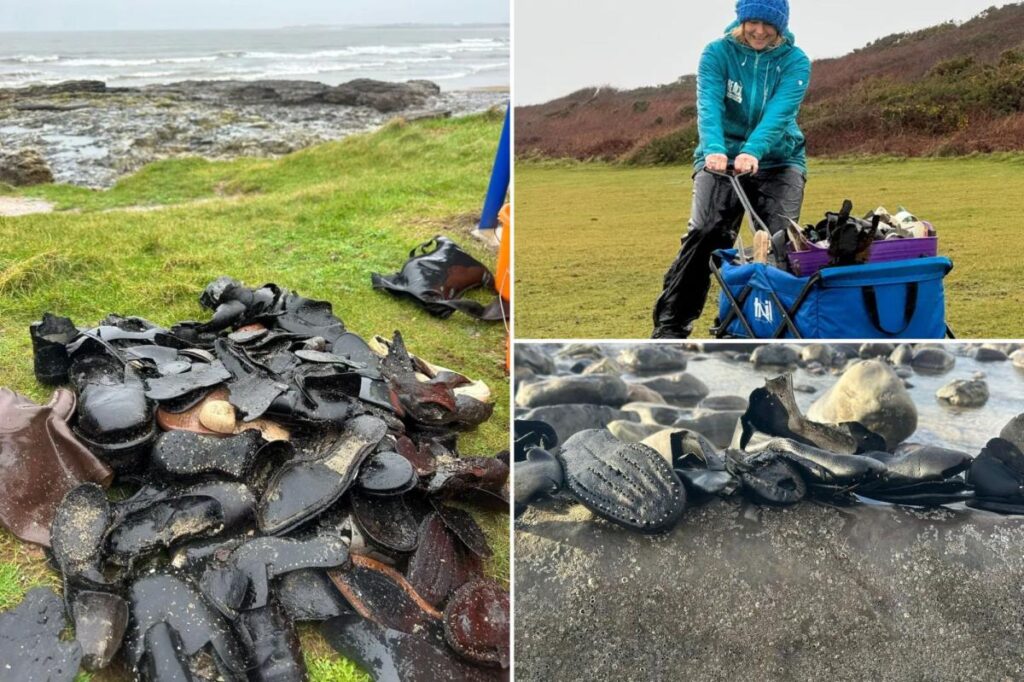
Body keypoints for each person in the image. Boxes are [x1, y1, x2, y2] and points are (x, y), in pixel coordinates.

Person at [652, 0, 811, 339]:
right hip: (719, 157)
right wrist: (714, 149)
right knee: (706, 232)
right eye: (753, 22)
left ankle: (759, 327)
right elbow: (709, 105)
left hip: (779, 159)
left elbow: (780, 113)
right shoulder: (716, 53)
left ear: (781, 26)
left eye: (769, 25)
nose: (760, 31)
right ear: (741, 21)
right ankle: (671, 326)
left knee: (778, 242)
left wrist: (753, 150)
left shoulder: (795, 61)